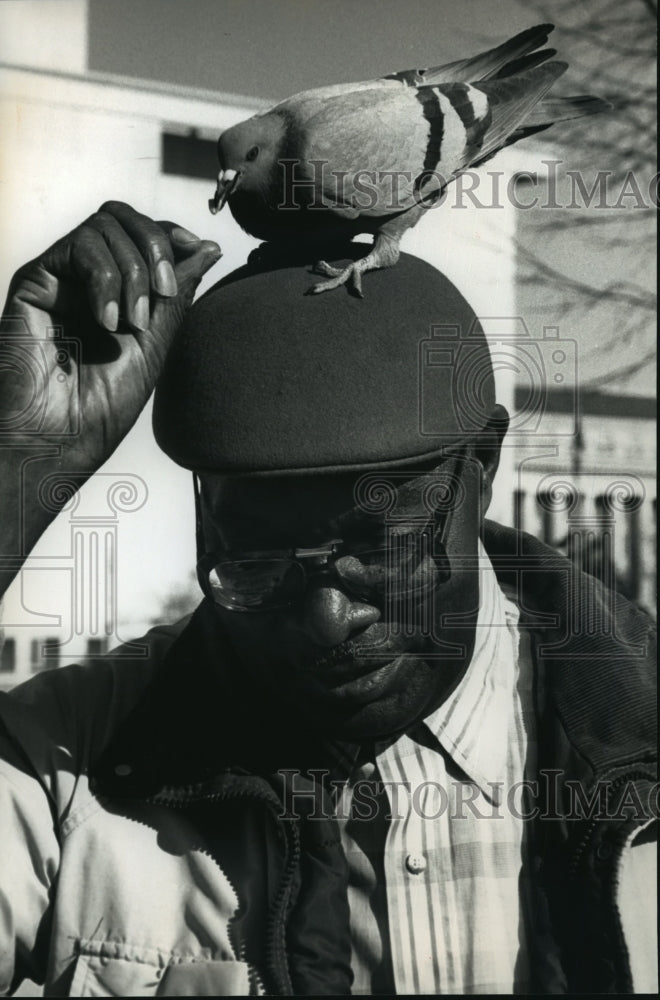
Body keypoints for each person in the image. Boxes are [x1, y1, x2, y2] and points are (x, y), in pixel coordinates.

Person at [0, 202, 656, 997]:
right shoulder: (67, 762)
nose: (327, 620)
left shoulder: (638, 726)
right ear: (207, 516)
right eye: (257, 562)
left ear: (483, 466)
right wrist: (23, 468)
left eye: (383, 549)